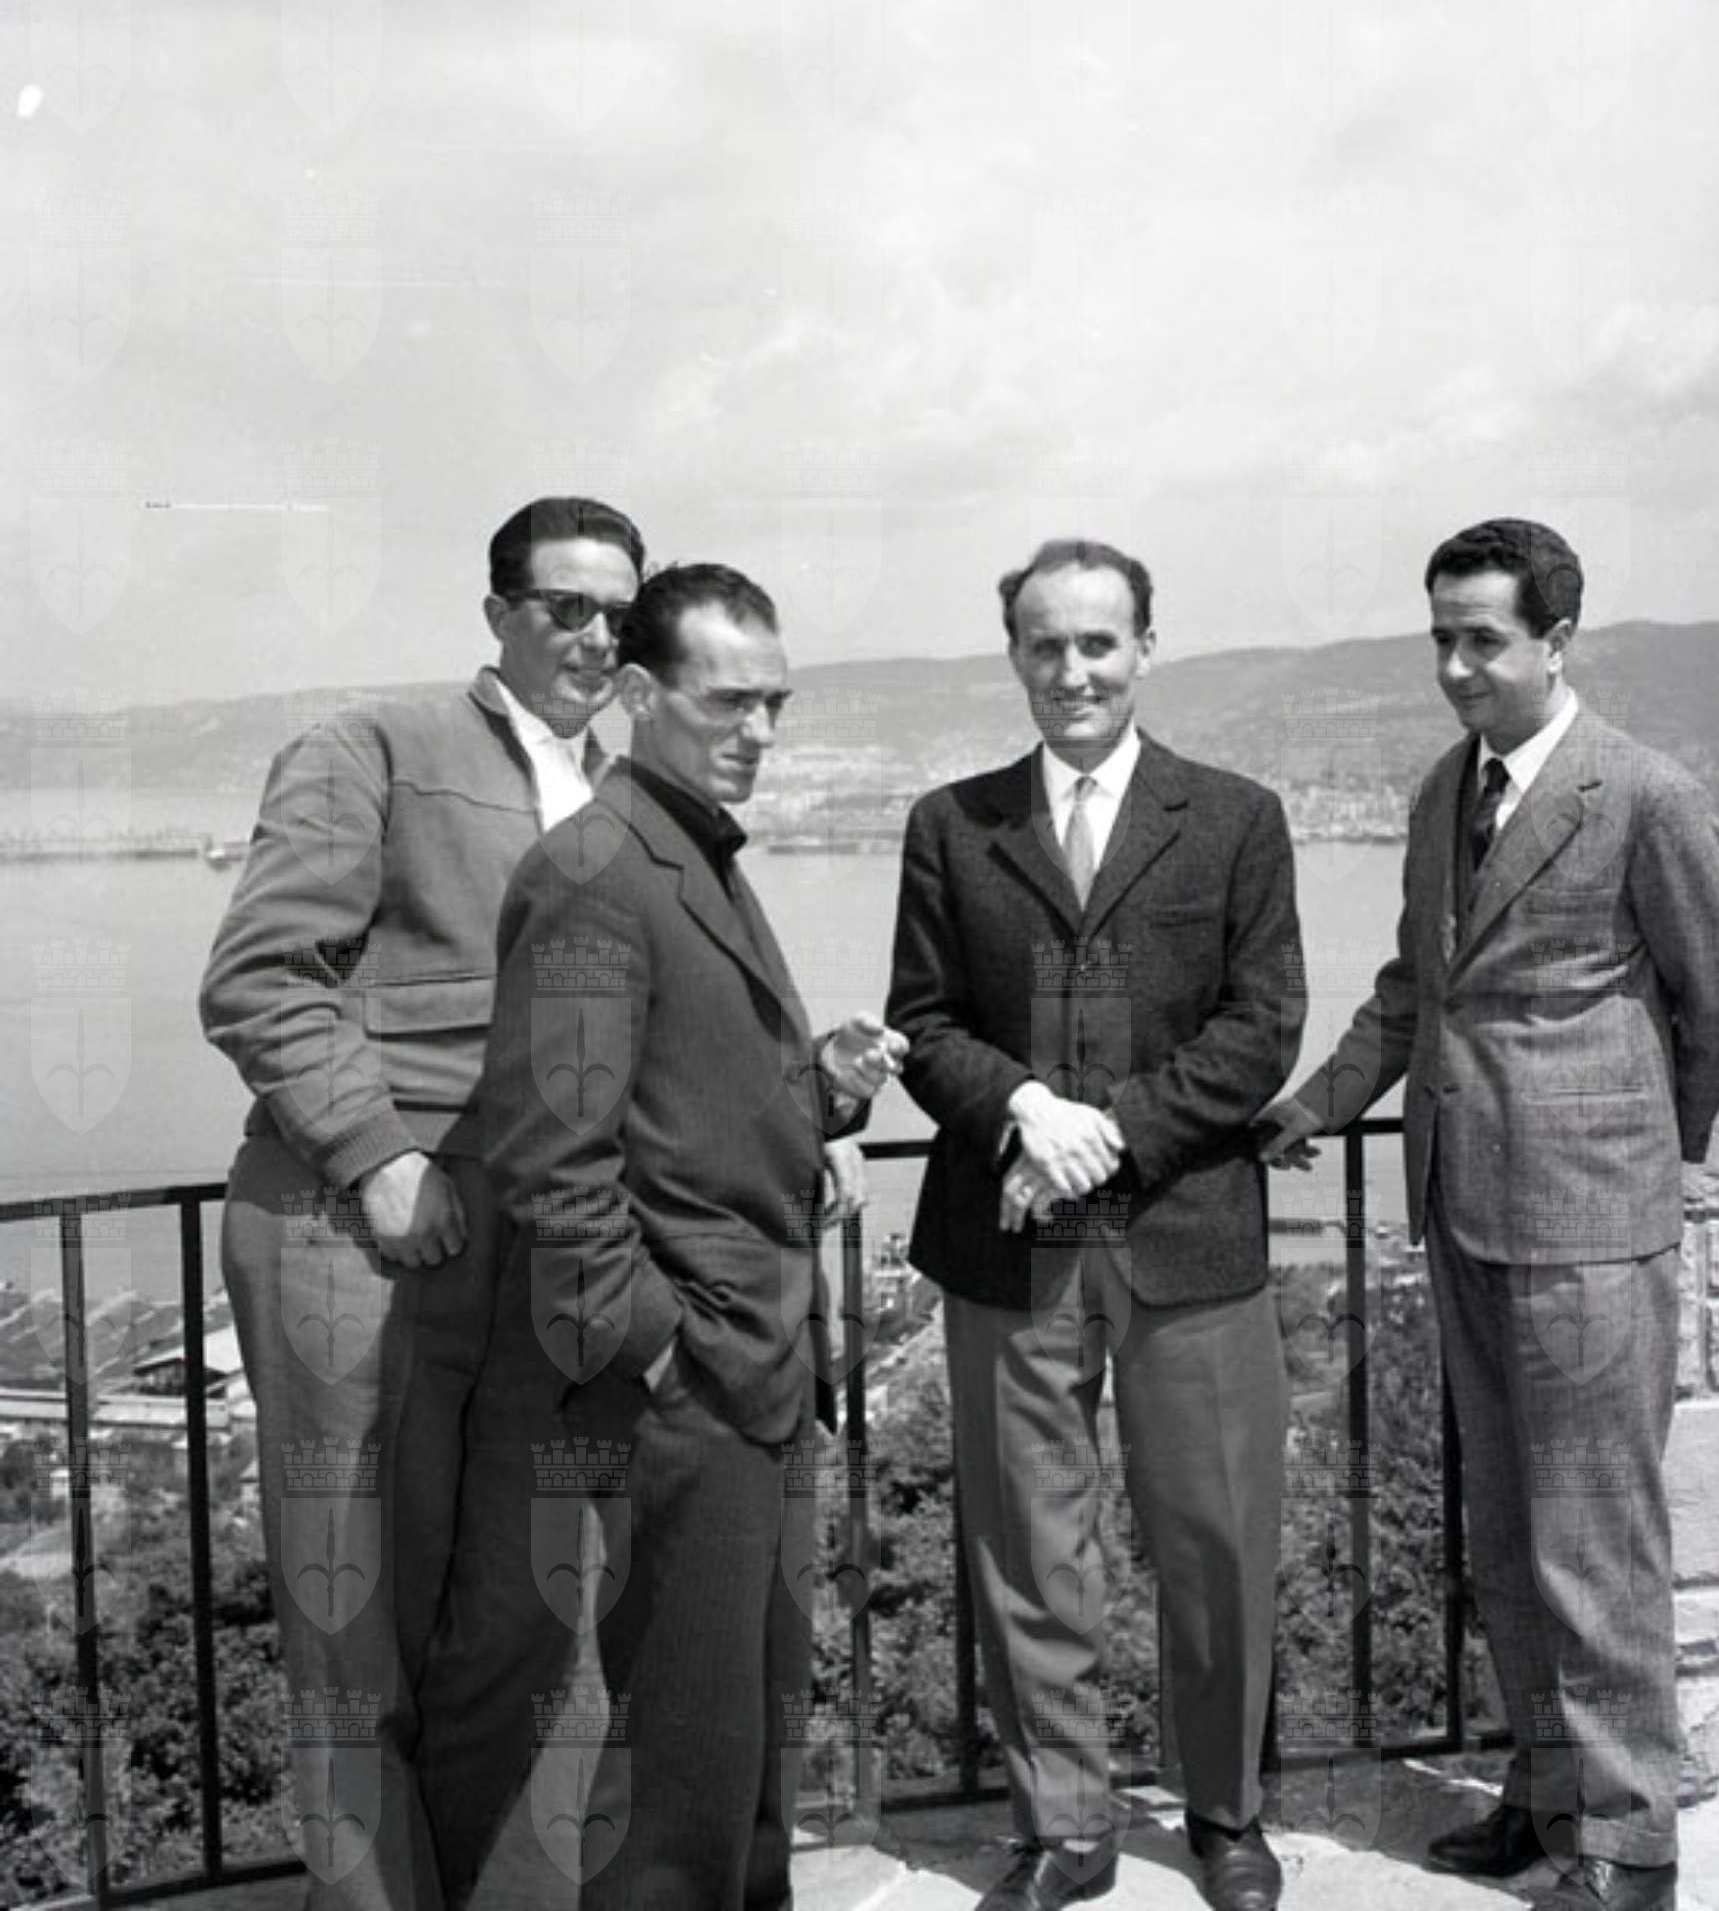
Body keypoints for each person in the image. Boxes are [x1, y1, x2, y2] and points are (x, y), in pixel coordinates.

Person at [1261, 518, 1719, 1911]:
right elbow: (1415, 990)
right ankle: (1548, 1801)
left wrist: (1643, 1149)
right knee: (1506, 1537)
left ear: (1557, 641)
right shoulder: (1444, 792)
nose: (1455, 667)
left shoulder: (1644, 794)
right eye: (1441, 638)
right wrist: (1315, 1105)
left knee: (1596, 1543)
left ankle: (1631, 1843)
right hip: (1464, 1211)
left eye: (1483, 640)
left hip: (1592, 1229)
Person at [415, 562, 907, 1911]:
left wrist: (821, 1087)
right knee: (683, 1765)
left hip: (751, 1367)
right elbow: (550, 1161)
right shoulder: (593, 873)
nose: (760, 731)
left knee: (745, 1731)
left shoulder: (684, 851)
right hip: (692, 1383)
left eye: (776, 703)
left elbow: (679, 1102)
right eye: (727, 702)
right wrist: (662, 1354)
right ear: (638, 694)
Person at [200, 496, 646, 1907]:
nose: (595, 636)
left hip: (534, 1247)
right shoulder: (373, 748)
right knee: (356, 1623)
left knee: (531, 1610)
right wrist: (376, 1154)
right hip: (357, 1236)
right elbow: (262, 975)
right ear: (500, 613)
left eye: (619, 613)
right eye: (565, 607)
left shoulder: (619, 790)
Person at [887, 539, 1306, 1911]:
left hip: (1189, 1236)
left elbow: (1261, 1028)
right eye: (1045, 645)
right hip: (1006, 1247)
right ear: (1014, 654)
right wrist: (1022, 1106)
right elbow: (924, 1024)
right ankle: (1065, 1828)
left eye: (1098, 644)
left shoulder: (1236, 818)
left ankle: (1226, 1815)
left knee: (1218, 1541)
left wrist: (1101, 1134)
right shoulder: (951, 825)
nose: (1071, 671)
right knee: (1029, 1544)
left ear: (1144, 650)